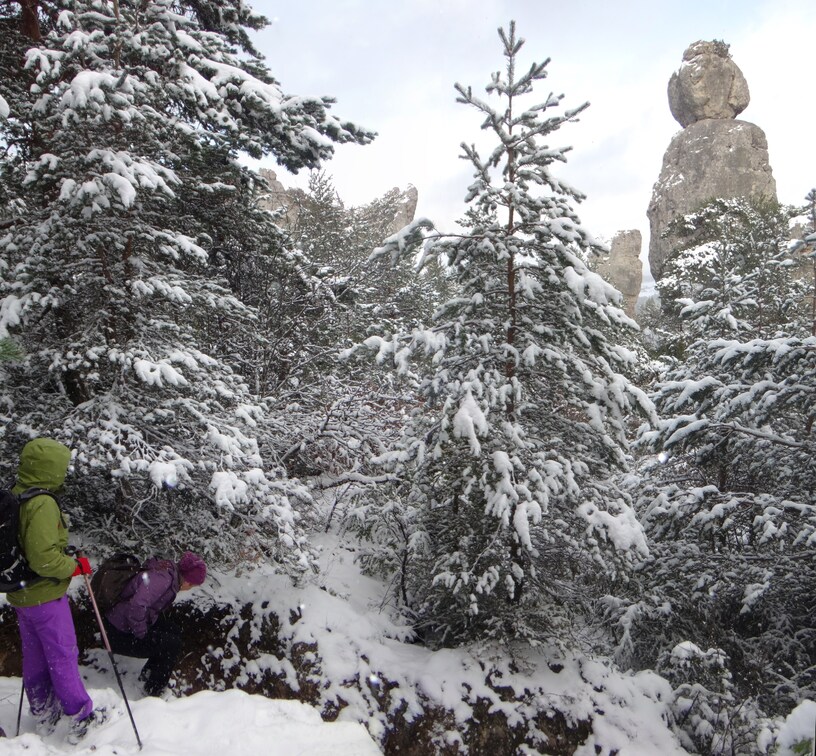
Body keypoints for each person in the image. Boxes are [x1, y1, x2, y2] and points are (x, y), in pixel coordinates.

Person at [6, 437, 100, 741]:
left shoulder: (16, 494)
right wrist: (75, 567)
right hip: (44, 594)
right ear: (51, 468)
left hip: (22, 594)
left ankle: (44, 712)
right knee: (62, 654)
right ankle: (79, 716)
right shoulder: (42, 502)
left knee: (34, 656)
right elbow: (44, 559)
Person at [103, 550, 207, 696]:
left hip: (122, 623)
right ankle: (154, 691)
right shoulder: (162, 579)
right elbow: (137, 605)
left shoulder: (168, 573)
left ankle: (148, 676)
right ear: (189, 581)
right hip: (116, 632)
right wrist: (141, 633)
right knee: (171, 645)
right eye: (193, 585)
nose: (190, 588)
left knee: (173, 631)